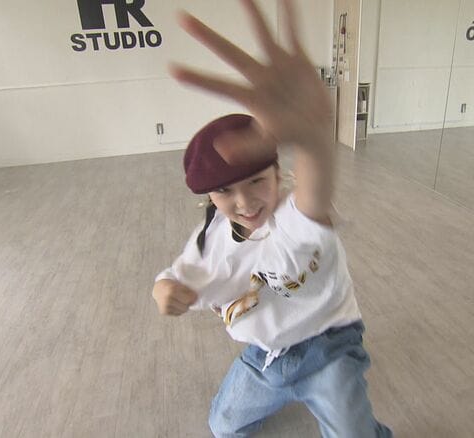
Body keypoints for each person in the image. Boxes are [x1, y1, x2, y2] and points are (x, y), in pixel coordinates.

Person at [152, 1, 392, 436]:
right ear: (209, 196)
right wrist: (166, 291)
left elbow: (314, 198)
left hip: (329, 344)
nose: (245, 201)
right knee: (222, 427)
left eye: (257, 181)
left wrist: (315, 137)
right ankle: (280, 388)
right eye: (225, 191)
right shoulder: (211, 238)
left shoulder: (294, 217)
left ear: (279, 174)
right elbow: (178, 275)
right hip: (266, 354)